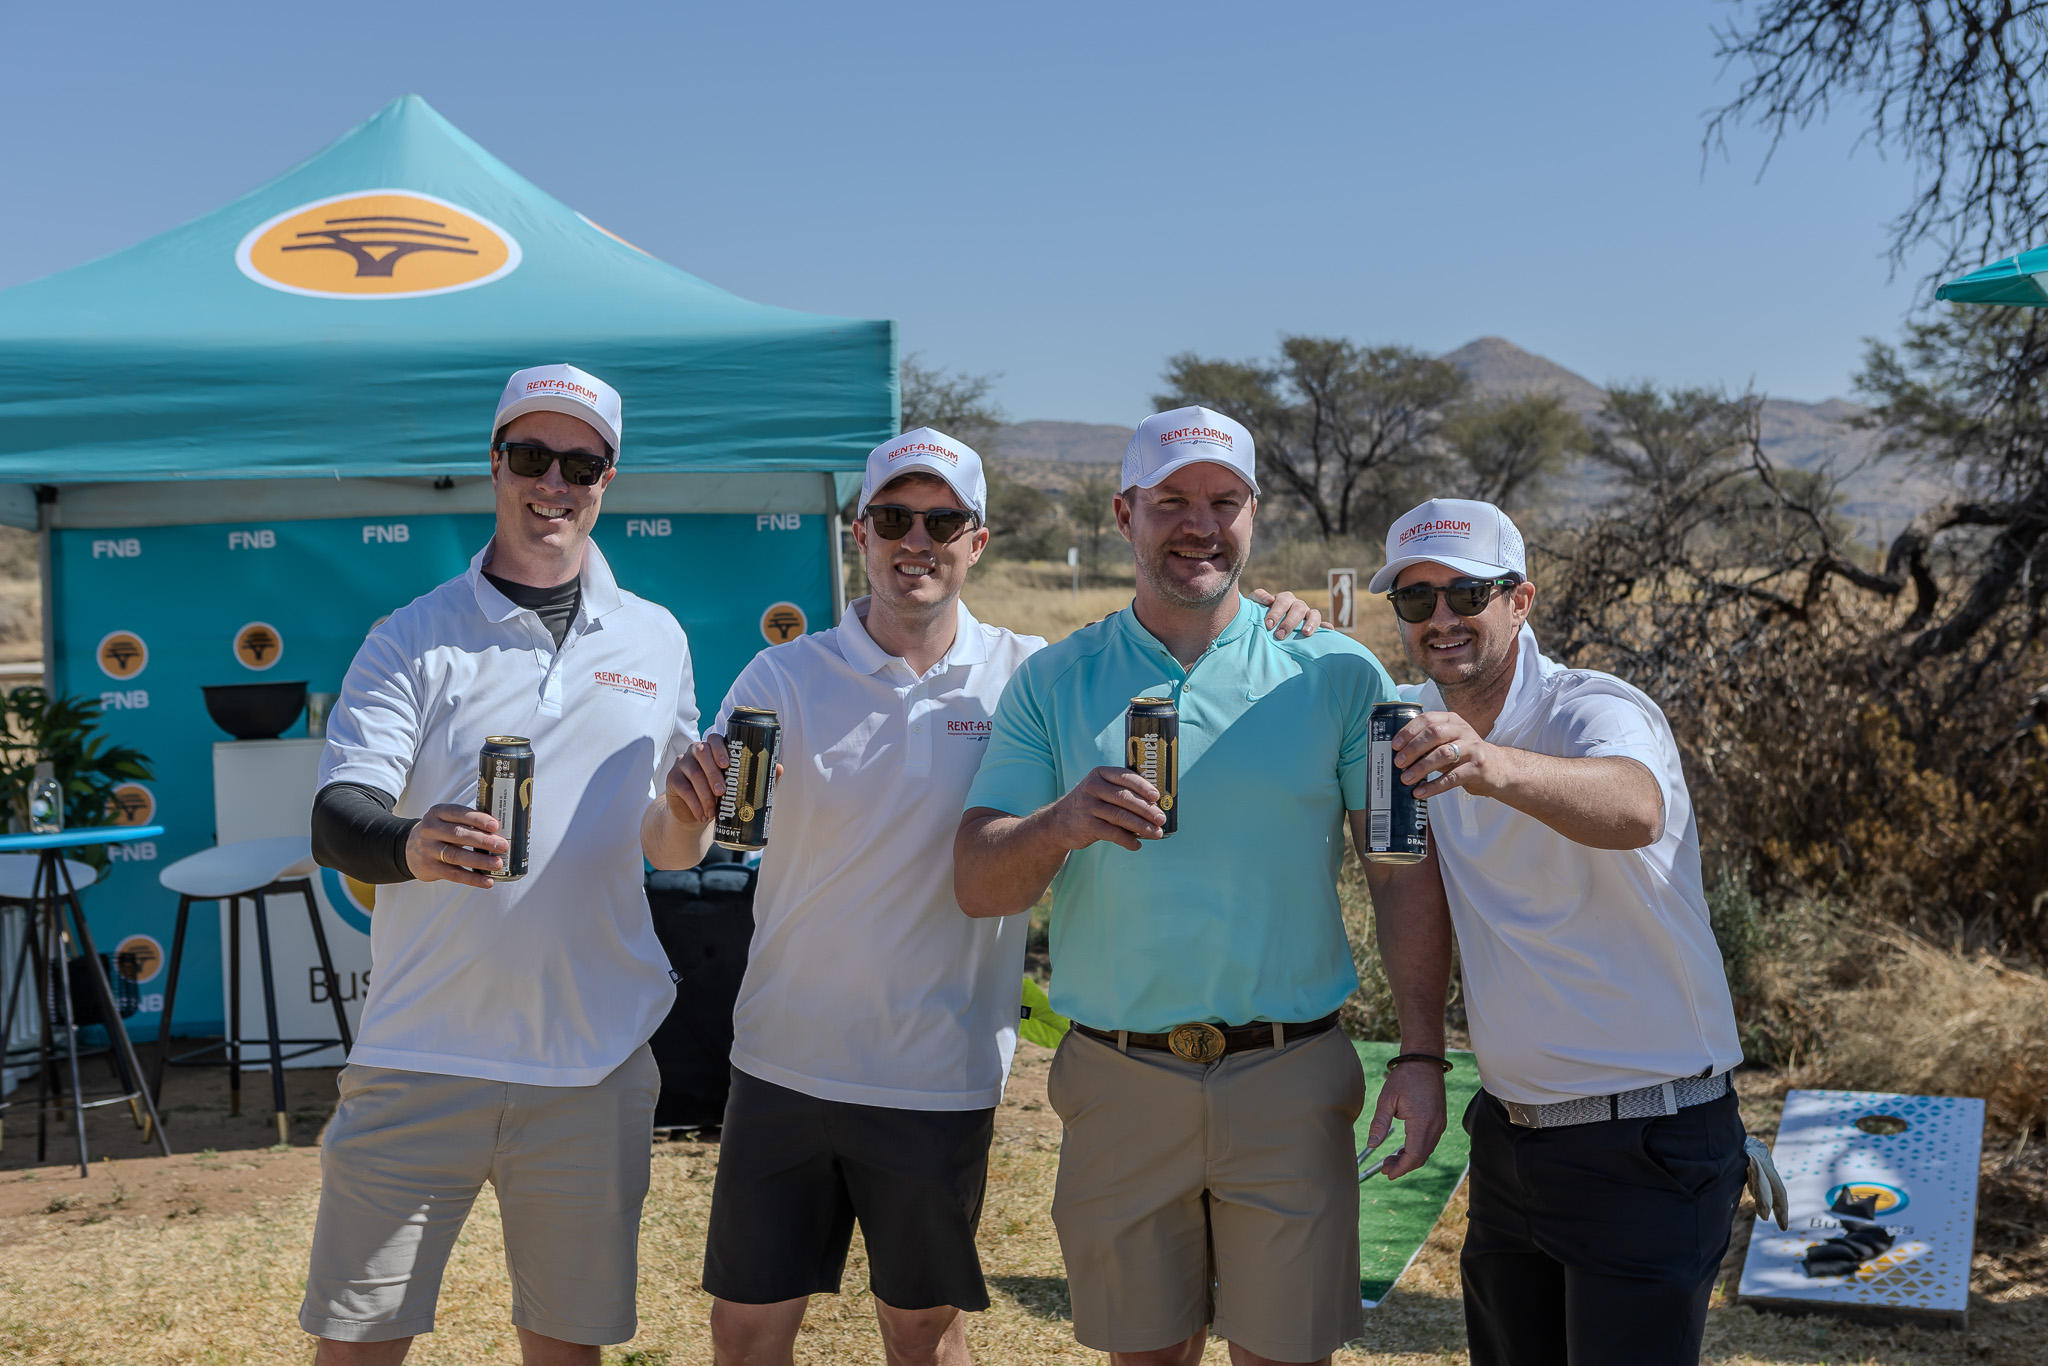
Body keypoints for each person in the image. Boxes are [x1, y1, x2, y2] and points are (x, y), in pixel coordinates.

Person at [643, 427, 1326, 1366]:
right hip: (782, 1061)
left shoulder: (1029, 673)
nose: (916, 541)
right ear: (859, 533)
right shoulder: (785, 675)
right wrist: (681, 810)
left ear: (978, 541)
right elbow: (679, 846)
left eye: (943, 521)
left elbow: (1174, 634)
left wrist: (1274, 614)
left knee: (923, 1332)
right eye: (894, 519)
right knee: (746, 1328)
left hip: (941, 1070)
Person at [953, 407, 1455, 1366]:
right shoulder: (1055, 679)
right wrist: (1060, 823)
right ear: (1124, 514)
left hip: (1289, 1078)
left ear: (1253, 515)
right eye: (1171, 500)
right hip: (1119, 1079)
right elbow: (979, 882)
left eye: (1224, 501)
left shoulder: (1340, 672)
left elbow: (1402, 871)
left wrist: (1423, 1054)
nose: (1200, 524)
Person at [301, 364, 698, 1366]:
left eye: (580, 464)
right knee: (356, 1346)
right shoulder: (414, 636)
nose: (553, 482)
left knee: (566, 1349)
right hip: (422, 1053)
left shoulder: (656, 638)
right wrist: (410, 843)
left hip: (592, 1061)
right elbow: (338, 819)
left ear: (608, 478)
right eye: (530, 455)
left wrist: (692, 819)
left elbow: (665, 843)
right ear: (494, 463)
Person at [1370, 497, 1748, 1366]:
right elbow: (1409, 888)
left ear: (1521, 601)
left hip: (1648, 1142)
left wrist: (1490, 764)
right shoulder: (1410, 722)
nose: (1441, 618)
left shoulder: (1595, 708)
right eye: (1416, 598)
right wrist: (1420, 1056)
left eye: (1468, 594)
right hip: (1510, 1138)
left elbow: (1636, 806)